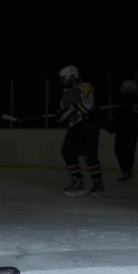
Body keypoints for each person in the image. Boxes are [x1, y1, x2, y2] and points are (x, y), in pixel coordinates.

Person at [56, 65, 105, 197]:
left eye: (65, 78)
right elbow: (64, 113)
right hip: (76, 126)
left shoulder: (85, 87)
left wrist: (75, 104)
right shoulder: (66, 93)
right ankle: (82, 182)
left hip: (88, 124)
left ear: (73, 77)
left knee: (87, 153)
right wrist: (62, 113)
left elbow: (87, 107)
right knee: (68, 152)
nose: (63, 82)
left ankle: (93, 184)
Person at [107, 80, 138, 182]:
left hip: (124, 130)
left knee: (121, 151)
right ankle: (128, 171)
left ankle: (126, 171)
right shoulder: (136, 100)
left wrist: (112, 126)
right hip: (131, 130)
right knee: (129, 151)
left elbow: (121, 116)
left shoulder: (125, 100)